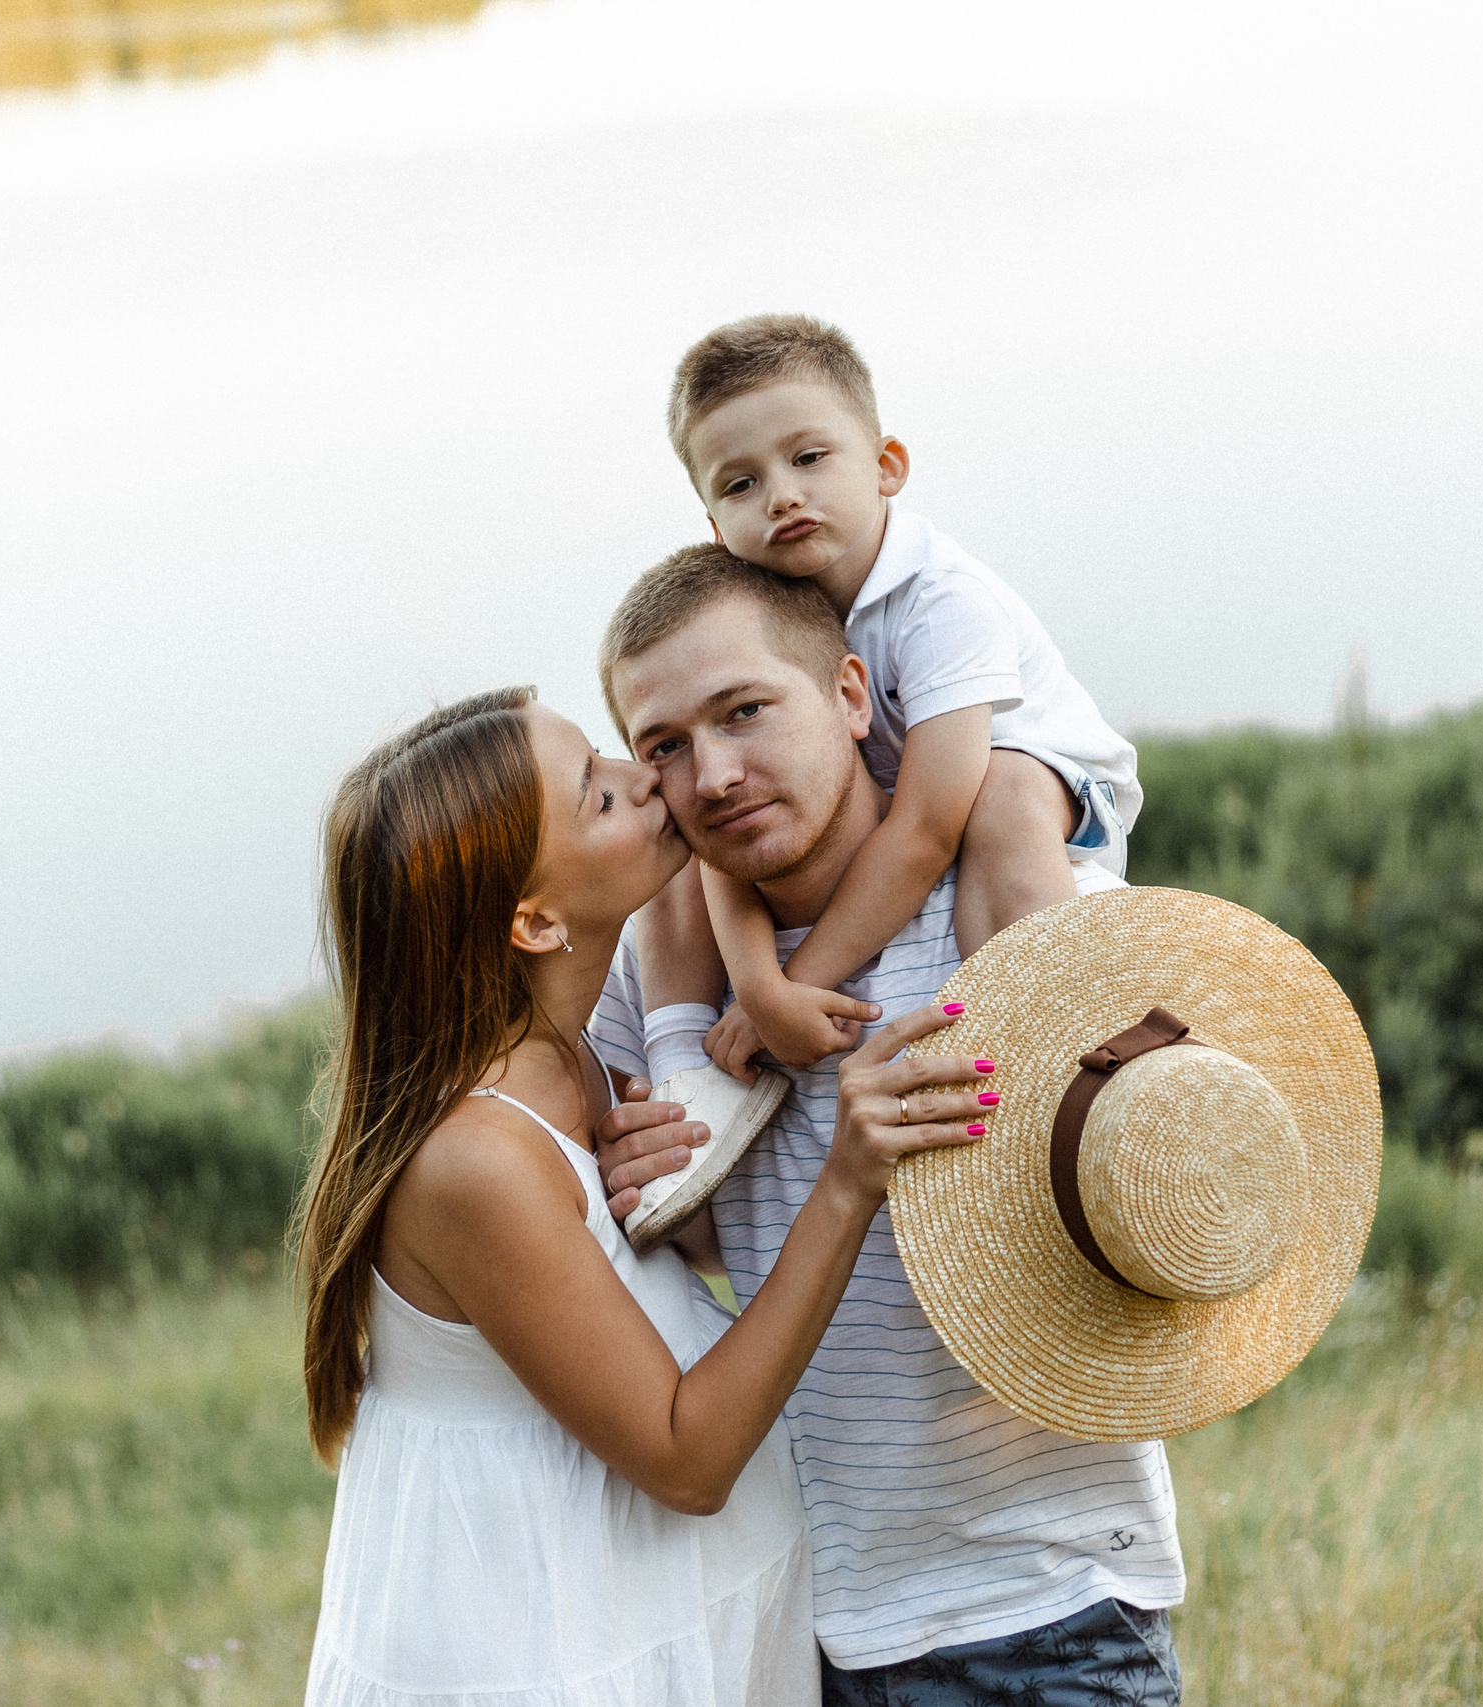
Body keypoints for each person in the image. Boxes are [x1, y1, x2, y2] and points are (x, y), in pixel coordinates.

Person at [293, 686, 999, 1707]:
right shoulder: (475, 1160)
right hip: (546, 1653)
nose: (644, 777)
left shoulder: (571, 1059)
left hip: (650, 1622)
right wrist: (845, 1181)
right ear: (534, 921)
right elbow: (685, 1458)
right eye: (600, 795)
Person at [585, 556, 1185, 1705]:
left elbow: (1179, 1204)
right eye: (662, 745)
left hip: (1043, 1611)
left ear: (854, 697)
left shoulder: (1026, 915)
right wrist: (644, 1186)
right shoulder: (657, 991)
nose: (711, 774)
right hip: (796, 1627)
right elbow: (688, 1248)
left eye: (745, 711)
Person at [625, 312, 1142, 1248]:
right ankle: (694, 1085)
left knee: (1004, 801)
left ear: (886, 466)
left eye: (809, 457)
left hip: (1049, 782)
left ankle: (1056, 1059)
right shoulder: (772, 616)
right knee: (701, 810)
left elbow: (926, 827)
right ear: (711, 520)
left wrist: (804, 975)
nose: (782, 496)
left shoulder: (942, 601)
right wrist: (758, 989)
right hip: (906, 790)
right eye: (742, 483)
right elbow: (724, 857)